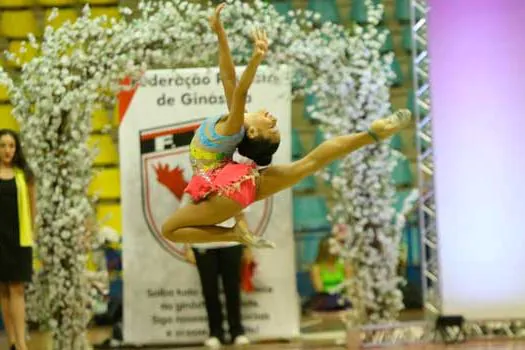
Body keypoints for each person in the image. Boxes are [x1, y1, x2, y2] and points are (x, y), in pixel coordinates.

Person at [160, 4, 413, 245]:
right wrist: (219, 33)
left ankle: (233, 234)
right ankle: (371, 134)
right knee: (308, 164)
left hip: (225, 188)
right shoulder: (239, 124)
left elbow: (239, 90)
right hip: (236, 183)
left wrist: (256, 57)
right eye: (274, 125)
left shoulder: (234, 125)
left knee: (170, 230)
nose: (274, 118)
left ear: (253, 132)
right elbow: (227, 76)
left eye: (270, 126)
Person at [0, 129, 36, 350]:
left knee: (17, 289)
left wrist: (32, 234)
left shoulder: (25, 174)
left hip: (19, 238)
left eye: (11, 145)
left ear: (17, 148)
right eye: (3, 145)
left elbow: (33, 207)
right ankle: (11, 340)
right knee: (3, 289)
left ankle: (22, 343)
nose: (7, 150)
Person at [308, 236, 352, 312]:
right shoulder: (317, 267)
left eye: (337, 245)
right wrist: (339, 287)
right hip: (325, 298)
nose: (338, 248)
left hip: (343, 297)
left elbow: (349, 284)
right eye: (333, 245)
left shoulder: (344, 263)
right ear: (325, 249)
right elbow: (319, 288)